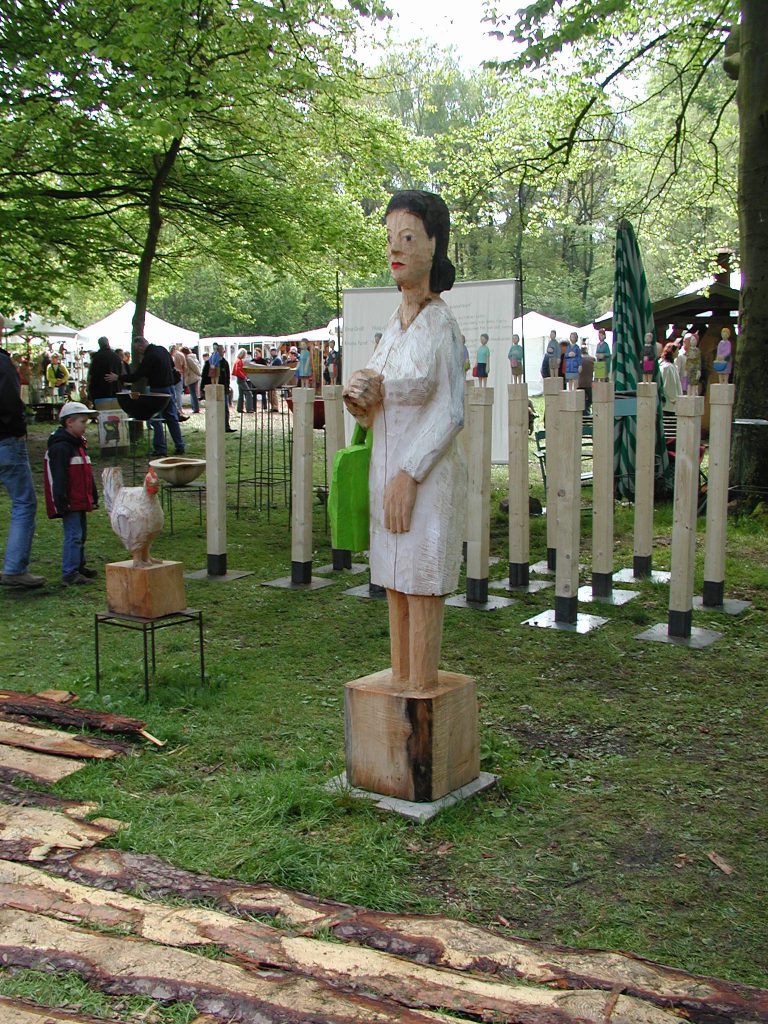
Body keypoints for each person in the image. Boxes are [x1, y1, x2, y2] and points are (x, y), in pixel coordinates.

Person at [343, 189, 464, 688]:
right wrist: (363, 401)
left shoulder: (443, 326)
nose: (396, 249)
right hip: (383, 472)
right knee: (393, 582)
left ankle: (421, 691)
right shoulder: (392, 328)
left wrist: (410, 474)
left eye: (409, 237)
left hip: (425, 479)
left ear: (434, 246)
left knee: (421, 584)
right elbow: (381, 403)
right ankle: (400, 682)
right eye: (391, 238)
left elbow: (451, 411)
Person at [0, 325, 46, 588]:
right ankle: (15, 568)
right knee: (24, 503)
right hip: (5, 440)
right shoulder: (3, 363)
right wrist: (18, 429)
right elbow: (9, 398)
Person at [43, 401, 99, 586]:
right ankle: (69, 572)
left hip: (80, 498)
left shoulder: (78, 444)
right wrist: (61, 501)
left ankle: (79, 566)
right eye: (83, 422)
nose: (85, 426)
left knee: (81, 534)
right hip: (70, 500)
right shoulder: (61, 447)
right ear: (69, 422)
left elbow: (86, 473)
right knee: (74, 535)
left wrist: (93, 495)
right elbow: (59, 477)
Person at [105, 336, 185, 456]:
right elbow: (172, 364)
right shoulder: (162, 350)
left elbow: (137, 376)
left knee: (156, 418)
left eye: (137, 349)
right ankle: (180, 445)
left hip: (158, 389)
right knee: (172, 417)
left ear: (141, 346)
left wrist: (119, 377)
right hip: (170, 387)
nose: (138, 352)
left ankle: (160, 448)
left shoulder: (149, 357)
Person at [201, 350, 236, 431]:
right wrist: (203, 388)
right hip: (212, 389)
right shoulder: (209, 363)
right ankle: (214, 426)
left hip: (223, 388)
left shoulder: (224, 362)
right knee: (213, 408)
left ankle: (226, 426)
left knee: (224, 408)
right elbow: (205, 376)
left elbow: (227, 377)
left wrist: (227, 388)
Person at [87, 336, 121, 403]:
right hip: (115, 388)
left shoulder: (96, 357)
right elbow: (120, 372)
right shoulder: (116, 356)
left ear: (99, 344)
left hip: (99, 390)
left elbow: (91, 374)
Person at [659, 343, 682, 410]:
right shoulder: (668, 367)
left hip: (672, 404)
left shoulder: (672, 365)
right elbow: (669, 384)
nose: (678, 352)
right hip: (670, 404)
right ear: (672, 352)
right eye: (677, 351)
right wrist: (674, 399)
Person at [232, 348, 254, 414]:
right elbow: (238, 371)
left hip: (239, 379)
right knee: (249, 393)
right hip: (241, 379)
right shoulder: (239, 361)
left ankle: (239, 408)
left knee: (241, 394)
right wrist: (244, 376)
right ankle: (249, 408)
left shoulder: (237, 360)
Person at [170, 346, 189, 420]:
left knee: (173, 392)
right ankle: (179, 408)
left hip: (172, 374)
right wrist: (184, 374)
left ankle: (175, 408)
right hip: (179, 374)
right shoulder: (181, 355)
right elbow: (185, 366)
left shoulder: (170, 355)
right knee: (178, 392)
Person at [182, 346, 202, 413]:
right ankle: (195, 407)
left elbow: (194, 367)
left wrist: (198, 373)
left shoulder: (188, 359)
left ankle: (195, 408)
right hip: (194, 377)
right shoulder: (193, 357)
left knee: (193, 393)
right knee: (194, 393)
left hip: (191, 377)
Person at [578, 341, 595, 413]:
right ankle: (586, 410)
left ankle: (584, 411)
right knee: (590, 399)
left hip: (580, 383)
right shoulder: (592, 359)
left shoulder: (578, 360)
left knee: (580, 400)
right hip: (589, 383)